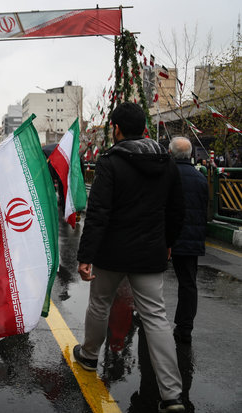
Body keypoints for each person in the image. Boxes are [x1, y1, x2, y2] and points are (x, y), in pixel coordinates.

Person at [73, 102, 186, 413]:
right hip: (150, 251)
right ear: (146, 129)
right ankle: (173, 396)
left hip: (112, 252)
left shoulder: (110, 161)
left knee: (100, 303)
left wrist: (86, 255)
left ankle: (90, 356)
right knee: (156, 318)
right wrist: (168, 242)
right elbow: (177, 209)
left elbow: (98, 214)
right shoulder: (166, 162)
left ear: (117, 129)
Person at [169, 137, 208, 344]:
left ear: (170, 153)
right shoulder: (200, 178)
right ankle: (185, 328)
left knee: (152, 280)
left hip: (166, 239)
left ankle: (148, 317)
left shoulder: (166, 176)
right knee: (188, 284)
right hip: (192, 240)